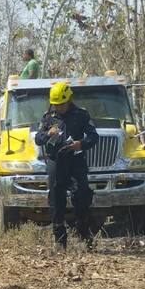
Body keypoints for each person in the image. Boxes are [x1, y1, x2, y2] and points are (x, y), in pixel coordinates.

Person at [35, 81, 99, 248]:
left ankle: (84, 232)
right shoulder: (48, 118)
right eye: (56, 104)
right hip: (56, 162)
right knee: (56, 198)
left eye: (62, 104)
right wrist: (48, 133)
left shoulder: (81, 114)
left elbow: (94, 137)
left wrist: (81, 144)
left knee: (82, 195)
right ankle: (59, 238)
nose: (59, 107)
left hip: (76, 161)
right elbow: (38, 138)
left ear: (69, 100)